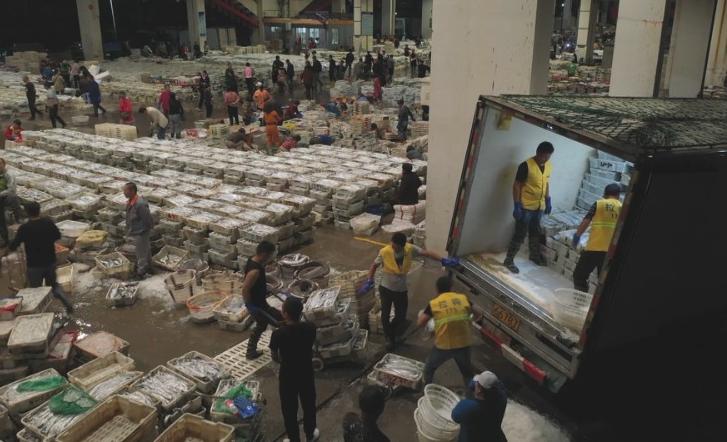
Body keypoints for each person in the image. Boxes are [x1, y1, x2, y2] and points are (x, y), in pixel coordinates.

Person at [362, 233, 458, 350]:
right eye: (392, 244)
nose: (393, 247)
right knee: (385, 314)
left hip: (401, 290)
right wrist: (369, 280)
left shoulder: (410, 249)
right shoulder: (384, 251)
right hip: (385, 288)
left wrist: (443, 260)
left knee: (401, 316)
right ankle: (389, 338)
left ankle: (391, 331)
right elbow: (374, 266)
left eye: (395, 246)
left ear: (402, 246)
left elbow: (427, 253)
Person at [6, 202, 74, 313]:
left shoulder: (24, 228)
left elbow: (14, 245)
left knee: (36, 291)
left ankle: (41, 312)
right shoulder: (48, 222)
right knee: (54, 285)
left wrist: (7, 250)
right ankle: (67, 303)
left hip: (34, 265)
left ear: (27, 213)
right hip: (50, 261)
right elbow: (57, 235)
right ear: (39, 210)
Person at [270, 297, 320, 442]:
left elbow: (275, 357)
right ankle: (310, 434)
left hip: (288, 375)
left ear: (285, 314)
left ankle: (294, 439)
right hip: (306, 371)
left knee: (289, 409)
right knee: (309, 404)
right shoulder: (311, 327)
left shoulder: (278, 334)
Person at [503, 141, 554, 273]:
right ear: (538, 153)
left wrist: (548, 200)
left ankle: (534, 256)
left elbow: (546, 183)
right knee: (520, 234)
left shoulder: (548, 165)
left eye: (549, 156)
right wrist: (517, 205)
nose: (546, 159)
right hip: (526, 207)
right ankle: (509, 260)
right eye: (544, 156)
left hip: (539, 207)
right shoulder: (525, 166)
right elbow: (517, 185)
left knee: (535, 232)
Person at [418, 276, 476, 387]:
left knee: (429, 368)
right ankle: (472, 397)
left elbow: (420, 322)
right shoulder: (463, 298)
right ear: (451, 288)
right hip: (463, 344)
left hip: (444, 345)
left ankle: (427, 390)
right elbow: (477, 313)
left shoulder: (434, 303)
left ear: (437, 289)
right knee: (467, 374)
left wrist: (429, 323)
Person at [572, 183, 622, 292]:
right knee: (604, 281)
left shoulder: (599, 204)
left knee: (579, 276)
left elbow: (586, 221)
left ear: (605, 194)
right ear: (618, 195)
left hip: (594, 247)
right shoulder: (622, 207)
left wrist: (577, 236)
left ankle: (581, 298)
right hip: (611, 251)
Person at [242, 240, 284, 360]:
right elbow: (245, 289)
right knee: (280, 322)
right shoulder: (254, 271)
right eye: (270, 255)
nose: (271, 258)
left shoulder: (254, 260)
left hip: (260, 301)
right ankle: (276, 354)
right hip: (257, 305)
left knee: (262, 325)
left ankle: (251, 352)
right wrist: (250, 306)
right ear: (264, 254)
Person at [451, 371, 507, 442]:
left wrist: (473, 393)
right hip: (494, 437)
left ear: (479, 391)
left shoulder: (471, 407)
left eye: (477, 384)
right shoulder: (501, 398)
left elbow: (455, 416)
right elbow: (499, 386)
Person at [123, 182, 154, 279]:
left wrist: (145, 231)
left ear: (132, 191)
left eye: (125, 190)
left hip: (141, 232)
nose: (124, 192)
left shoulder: (140, 204)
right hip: (136, 231)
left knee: (141, 254)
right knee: (145, 251)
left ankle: (141, 273)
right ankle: (149, 269)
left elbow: (148, 219)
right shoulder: (131, 201)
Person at [0, 158, 20, 246]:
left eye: (0, 164)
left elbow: (11, 190)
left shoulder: (9, 175)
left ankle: (5, 239)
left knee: (2, 219)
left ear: (4, 164)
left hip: (7, 198)